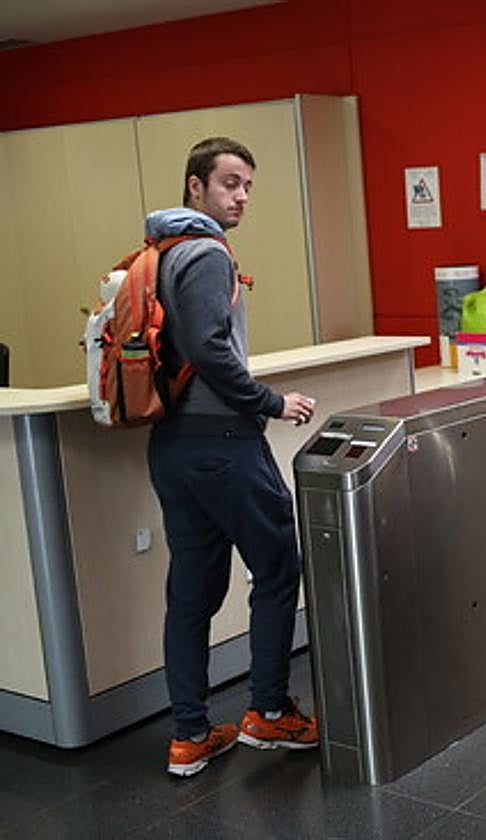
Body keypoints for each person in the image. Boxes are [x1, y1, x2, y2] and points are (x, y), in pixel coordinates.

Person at [147, 137, 319, 777]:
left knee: (191, 591)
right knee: (277, 569)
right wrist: (273, 402)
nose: (240, 196)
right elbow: (211, 350)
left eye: (247, 184)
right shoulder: (207, 254)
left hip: (173, 448)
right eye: (228, 183)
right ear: (195, 187)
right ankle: (267, 715)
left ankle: (190, 735)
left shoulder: (160, 251)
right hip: (224, 446)